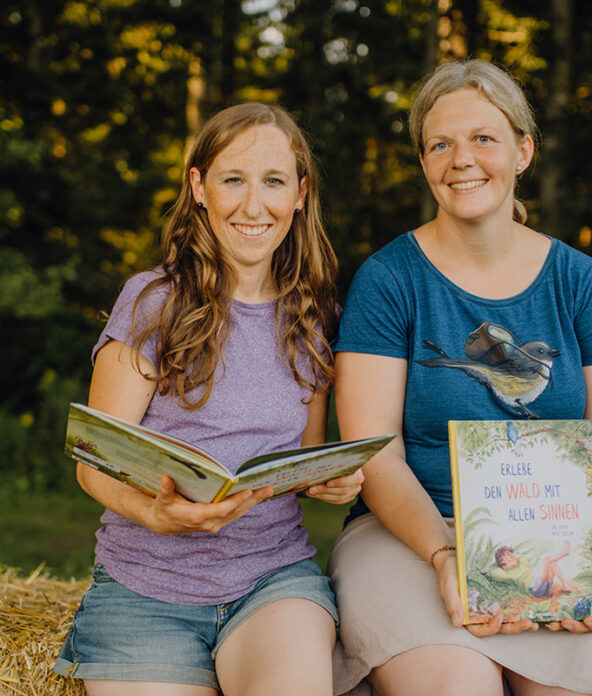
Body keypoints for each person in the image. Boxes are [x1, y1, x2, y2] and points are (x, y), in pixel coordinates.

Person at [328, 59, 592, 696]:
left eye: (483, 138)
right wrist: (449, 557)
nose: (461, 159)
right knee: (455, 685)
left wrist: (572, 552)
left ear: (523, 151)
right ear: (424, 163)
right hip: (412, 538)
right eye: (440, 144)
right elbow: (376, 451)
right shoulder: (388, 281)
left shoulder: (580, 282)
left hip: (555, 532)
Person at [54, 102, 364, 696]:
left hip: (272, 583)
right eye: (233, 180)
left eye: (273, 182)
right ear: (198, 187)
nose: (254, 205)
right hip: (142, 592)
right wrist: (153, 512)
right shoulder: (152, 301)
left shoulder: (315, 314)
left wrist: (328, 480)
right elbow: (93, 462)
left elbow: (303, 456)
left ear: (300, 193)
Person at [491, 542, 580, 597]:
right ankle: (564, 553)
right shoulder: (507, 573)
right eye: (509, 560)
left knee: (552, 564)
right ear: (505, 567)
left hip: (544, 586)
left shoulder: (522, 561)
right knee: (546, 560)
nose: (513, 558)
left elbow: (519, 557)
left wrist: (508, 555)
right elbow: (493, 571)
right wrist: (501, 563)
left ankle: (565, 586)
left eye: (512, 556)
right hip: (535, 589)